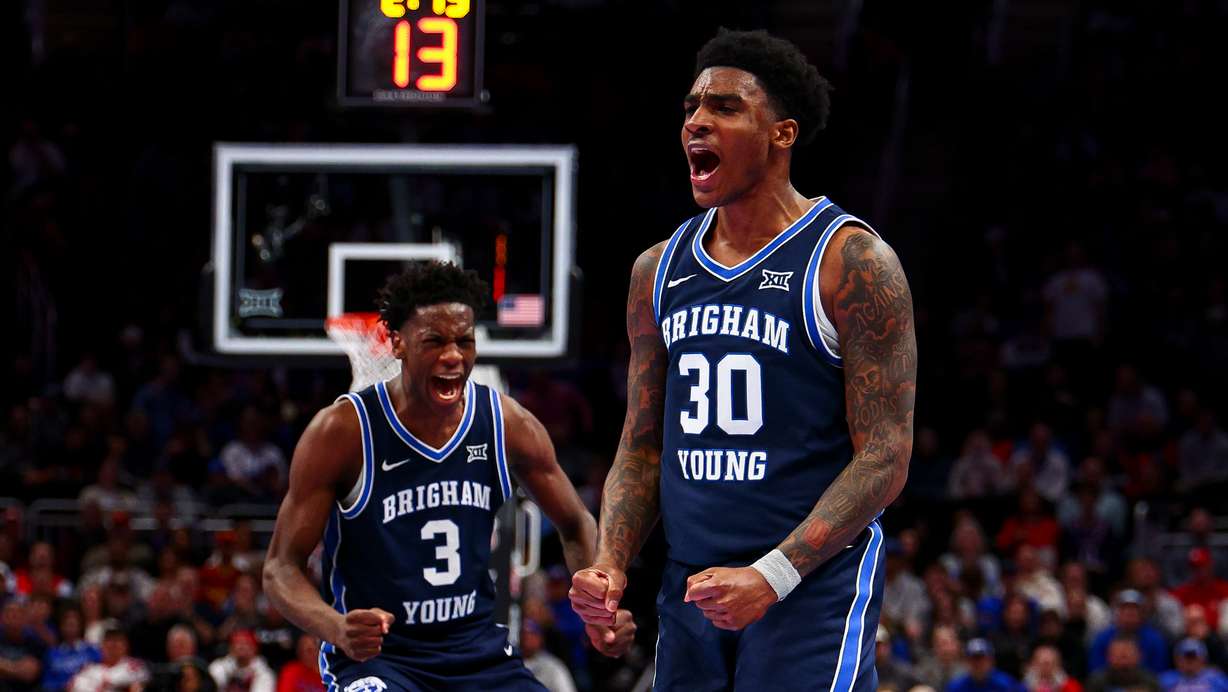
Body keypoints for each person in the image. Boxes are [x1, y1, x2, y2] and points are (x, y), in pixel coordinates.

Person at [569, 28, 917, 690]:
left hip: (809, 586)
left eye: (725, 107)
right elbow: (642, 447)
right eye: (691, 107)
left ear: (782, 134)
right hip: (692, 585)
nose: (696, 122)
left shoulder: (850, 262)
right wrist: (610, 564)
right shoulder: (657, 270)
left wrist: (772, 576)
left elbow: (884, 457)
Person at [263, 262, 634, 691]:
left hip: (478, 655)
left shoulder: (505, 423)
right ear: (397, 343)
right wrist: (336, 627)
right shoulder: (343, 432)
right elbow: (280, 569)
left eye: (464, 341)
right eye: (434, 341)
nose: (454, 356)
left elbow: (574, 521)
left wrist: (596, 606)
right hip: (381, 660)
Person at [947, 639, 1023, 692]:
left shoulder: (1006, 684)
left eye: (982, 659)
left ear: (991, 661)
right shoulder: (956, 687)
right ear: (967, 662)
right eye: (973, 659)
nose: (978, 664)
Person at [1158, 638, 1228, 692]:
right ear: (1176, 659)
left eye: (1193, 657)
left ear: (1203, 659)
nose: (1189, 661)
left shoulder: (1217, 679)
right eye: (1185, 657)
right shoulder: (1165, 680)